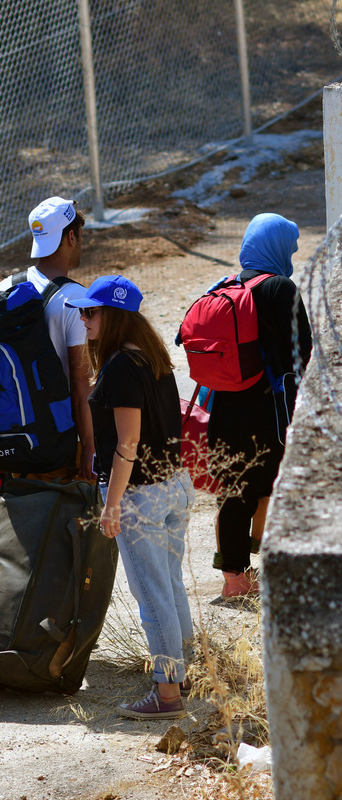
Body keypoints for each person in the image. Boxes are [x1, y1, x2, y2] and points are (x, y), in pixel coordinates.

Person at [68, 275, 194, 720]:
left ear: (115, 316)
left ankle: (168, 695)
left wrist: (112, 504)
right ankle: (183, 674)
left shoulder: (121, 365)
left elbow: (128, 443)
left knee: (152, 594)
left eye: (91, 312)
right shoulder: (152, 356)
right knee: (170, 584)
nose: (83, 320)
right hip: (175, 485)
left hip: (141, 494)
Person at [205, 213, 312, 598]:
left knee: (236, 492)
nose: (294, 255)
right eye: (291, 247)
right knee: (280, 488)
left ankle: (235, 579)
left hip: (225, 410)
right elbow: (303, 353)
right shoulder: (280, 289)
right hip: (273, 413)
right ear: (277, 247)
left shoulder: (225, 286)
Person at [0, 196, 94, 479]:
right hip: (57, 441)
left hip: (9, 440)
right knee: (64, 520)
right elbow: (81, 384)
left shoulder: (2, 290)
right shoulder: (76, 300)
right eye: (80, 237)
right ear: (71, 236)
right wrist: (90, 451)